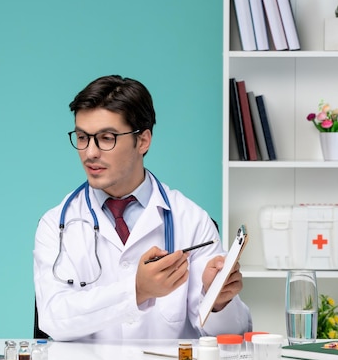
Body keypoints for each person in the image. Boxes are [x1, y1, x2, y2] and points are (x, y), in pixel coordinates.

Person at [33, 75, 252, 341]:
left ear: (143, 141)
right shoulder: (57, 223)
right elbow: (53, 319)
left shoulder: (191, 220)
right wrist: (136, 290)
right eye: (82, 137)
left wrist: (218, 301)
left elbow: (231, 336)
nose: (89, 152)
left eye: (106, 138)